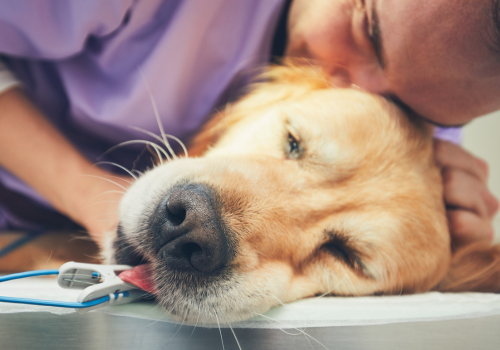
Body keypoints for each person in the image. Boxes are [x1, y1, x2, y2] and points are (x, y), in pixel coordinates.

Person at [0, 0, 497, 250]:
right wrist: (89, 197)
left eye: (414, 108)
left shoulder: (420, 104)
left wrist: (446, 233)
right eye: (366, 29)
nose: (353, 94)